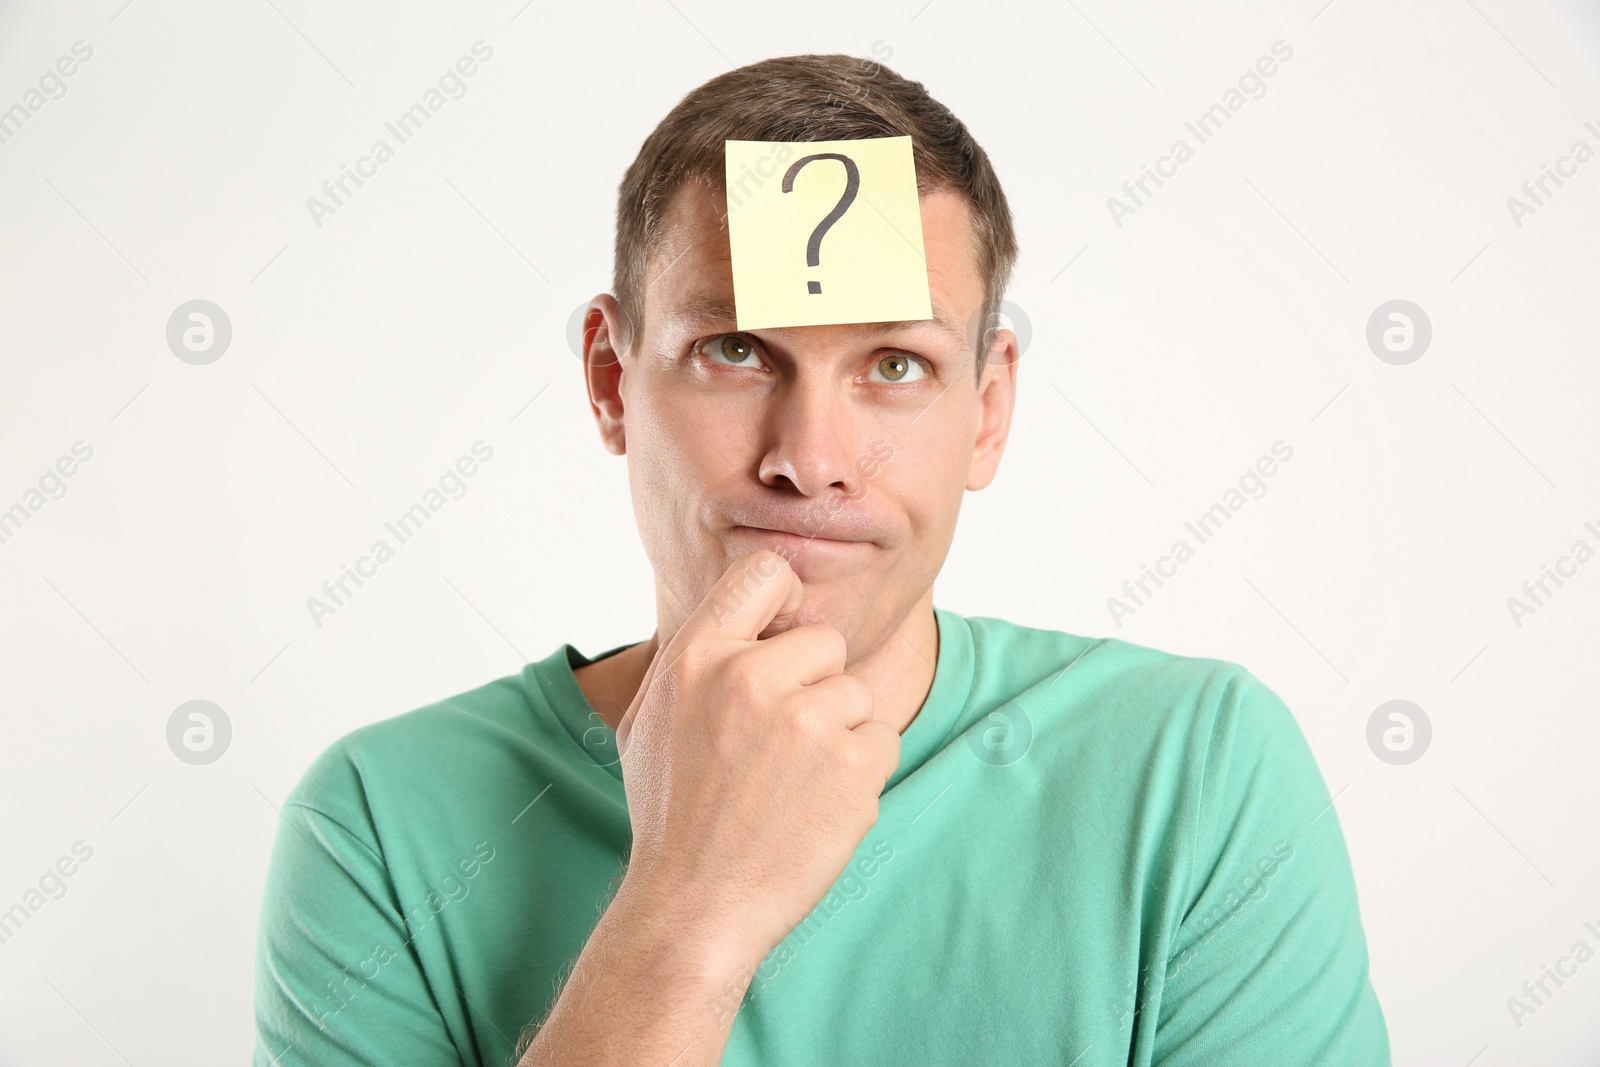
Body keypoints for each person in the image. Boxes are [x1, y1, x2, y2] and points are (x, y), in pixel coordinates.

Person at [253, 53, 1391, 1066]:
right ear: (611, 380)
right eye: (735, 350)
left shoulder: (1195, 770)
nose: (809, 460)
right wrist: (687, 911)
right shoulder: (381, 823)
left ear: (987, 408)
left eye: (894, 364)